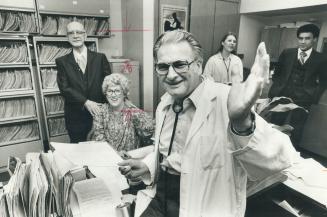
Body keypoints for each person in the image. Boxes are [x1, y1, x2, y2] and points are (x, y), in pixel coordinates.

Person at [118, 30, 296, 217]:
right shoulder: (165, 103)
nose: (170, 75)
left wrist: (242, 123)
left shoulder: (227, 100)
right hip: (160, 201)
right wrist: (148, 165)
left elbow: (278, 159)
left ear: (199, 65)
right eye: (163, 67)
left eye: (180, 65)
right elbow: (172, 153)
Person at [268, 24, 327, 146]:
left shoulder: (321, 58)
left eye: (307, 38)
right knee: (275, 127)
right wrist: (277, 89)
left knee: (296, 130)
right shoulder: (287, 53)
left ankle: (292, 158)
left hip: (303, 99)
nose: (303, 41)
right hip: (282, 96)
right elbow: (276, 74)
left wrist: (313, 96)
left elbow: (324, 81)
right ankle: (270, 153)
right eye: (300, 38)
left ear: (314, 39)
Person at [56, 21, 111, 143]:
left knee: (101, 151)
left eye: (79, 32)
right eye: (71, 33)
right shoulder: (62, 62)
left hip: (99, 115)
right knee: (79, 152)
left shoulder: (100, 58)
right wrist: (85, 102)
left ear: (85, 35)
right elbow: (64, 88)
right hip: (75, 118)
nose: (75, 36)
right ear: (67, 37)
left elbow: (109, 84)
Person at [91, 73, 154, 152]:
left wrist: (133, 111)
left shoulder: (134, 112)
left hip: (130, 159)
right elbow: (99, 139)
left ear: (124, 93)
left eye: (117, 91)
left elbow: (149, 133)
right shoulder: (100, 112)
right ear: (105, 93)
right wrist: (115, 154)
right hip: (107, 157)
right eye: (110, 91)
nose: (113, 95)